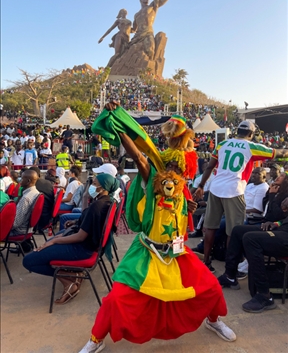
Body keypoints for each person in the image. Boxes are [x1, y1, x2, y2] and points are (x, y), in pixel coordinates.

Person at [78, 103, 236, 353]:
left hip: (176, 253)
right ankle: (96, 339)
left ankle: (213, 320)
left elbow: (179, 211)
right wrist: (121, 128)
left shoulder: (181, 188)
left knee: (211, 287)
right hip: (146, 253)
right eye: (171, 167)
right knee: (117, 299)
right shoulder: (151, 176)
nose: (174, 173)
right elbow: (139, 156)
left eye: (180, 171)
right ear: (164, 165)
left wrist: (189, 207)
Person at [194, 121, 288, 272]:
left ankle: (206, 262)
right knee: (234, 230)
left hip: (216, 188)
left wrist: (200, 186)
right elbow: (277, 153)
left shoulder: (222, 144)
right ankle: (230, 269)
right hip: (234, 190)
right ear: (251, 134)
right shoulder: (251, 146)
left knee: (210, 226)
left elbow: (210, 166)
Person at [22, 174, 120, 304]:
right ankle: (72, 273)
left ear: (102, 188)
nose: (91, 186)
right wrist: (72, 225)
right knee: (54, 239)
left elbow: (80, 236)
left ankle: (69, 280)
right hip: (88, 245)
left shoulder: (97, 206)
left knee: (29, 260)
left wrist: (55, 241)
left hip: (82, 249)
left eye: (94, 184)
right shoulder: (106, 201)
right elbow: (88, 222)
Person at [217, 197, 288, 313]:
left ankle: (265, 295)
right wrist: (276, 223)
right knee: (238, 230)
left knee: (250, 239)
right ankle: (230, 276)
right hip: (282, 230)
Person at [9, 169, 40, 237]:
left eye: (22, 178)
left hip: (18, 231)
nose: (20, 180)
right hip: (28, 229)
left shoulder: (26, 198)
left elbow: (15, 223)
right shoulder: (36, 192)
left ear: (28, 181)